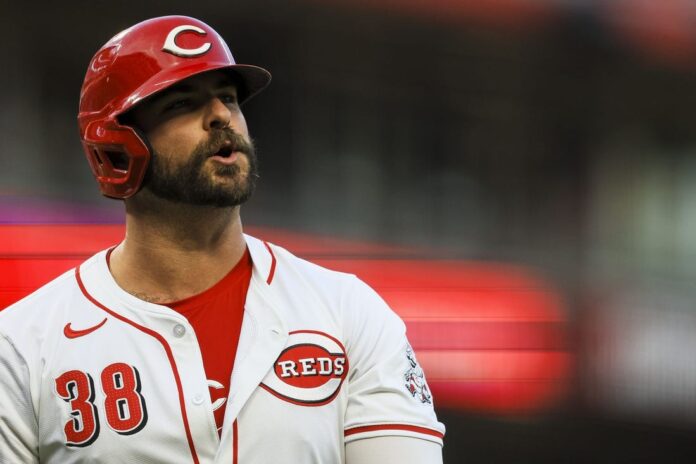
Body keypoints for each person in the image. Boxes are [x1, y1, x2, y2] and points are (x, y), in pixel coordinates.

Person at [0, 16, 445, 463]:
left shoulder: (348, 312)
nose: (220, 116)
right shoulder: (22, 347)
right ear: (117, 147)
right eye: (181, 103)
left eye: (228, 98)